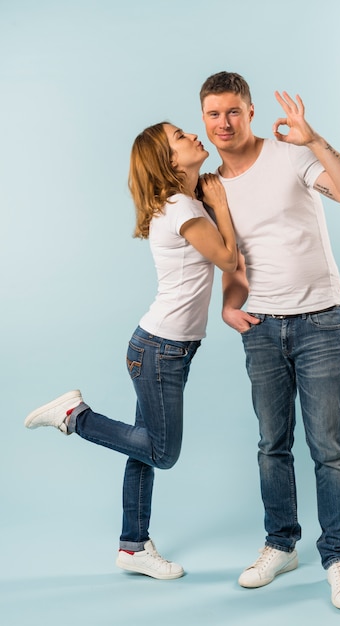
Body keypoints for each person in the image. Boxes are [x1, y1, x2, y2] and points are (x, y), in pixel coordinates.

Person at [24, 122, 237, 580]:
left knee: (142, 449)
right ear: (167, 161)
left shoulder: (184, 202)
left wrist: (213, 199)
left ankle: (132, 547)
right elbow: (229, 259)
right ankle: (75, 416)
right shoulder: (184, 207)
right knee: (162, 452)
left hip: (161, 349)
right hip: (161, 351)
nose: (194, 136)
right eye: (181, 137)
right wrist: (219, 203)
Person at [199, 71, 340, 610]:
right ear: (203, 119)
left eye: (233, 111)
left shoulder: (290, 155)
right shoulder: (212, 186)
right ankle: (281, 544)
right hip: (261, 327)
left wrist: (315, 140)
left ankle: (339, 559)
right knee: (271, 444)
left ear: (250, 112)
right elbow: (234, 257)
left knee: (329, 448)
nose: (223, 123)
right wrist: (228, 305)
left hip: (319, 320)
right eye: (212, 114)